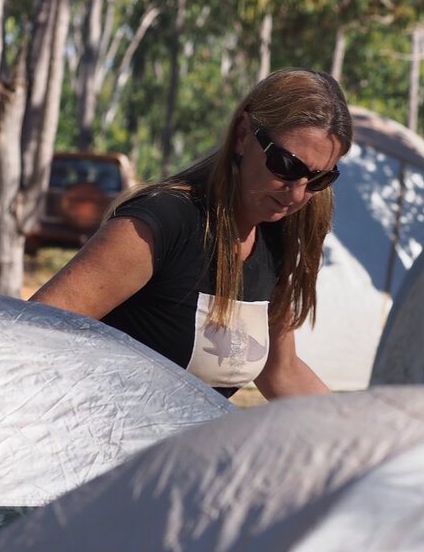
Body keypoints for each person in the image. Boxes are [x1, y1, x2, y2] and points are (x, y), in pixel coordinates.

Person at [31, 67, 353, 399]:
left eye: (318, 179)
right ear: (243, 134)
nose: (297, 194)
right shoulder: (163, 222)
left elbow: (282, 373)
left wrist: (354, 425)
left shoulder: (274, 242)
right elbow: (35, 332)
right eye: (286, 165)